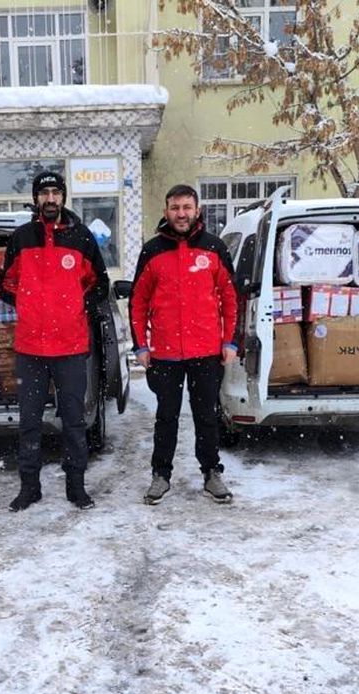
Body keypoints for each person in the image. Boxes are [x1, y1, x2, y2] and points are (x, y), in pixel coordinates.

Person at [0, 171, 109, 512]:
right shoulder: (21, 238)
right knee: (29, 423)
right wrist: (31, 307)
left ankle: (76, 487)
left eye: (55, 193)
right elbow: (6, 284)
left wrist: (76, 307)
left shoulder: (81, 238)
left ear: (63, 197)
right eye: (44, 193)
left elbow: (99, 284)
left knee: (74, 423)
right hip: (30, 349)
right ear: (36, 198)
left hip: (71, 348)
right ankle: (29, 488)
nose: (50, 199)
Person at [130, 184, 238, 505]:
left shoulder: (215, 249)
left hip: (206, 351)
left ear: (197, 210)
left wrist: (230, 341)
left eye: (187, 207)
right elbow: (138, 302)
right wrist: (141, 346)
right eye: (175, 208)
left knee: (207, 415)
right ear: (166, 212)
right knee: (166, 415)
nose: (181, 214)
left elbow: (231, 300)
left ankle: (211, 472)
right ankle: (161, 475)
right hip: (165, 354)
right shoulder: (152, 251)